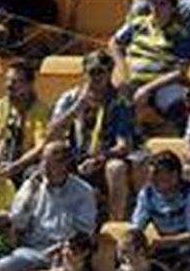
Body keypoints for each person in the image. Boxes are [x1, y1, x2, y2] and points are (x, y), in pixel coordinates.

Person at [0, 140, 98, 271]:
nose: (44, 168)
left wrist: (65, 246)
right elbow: (18, 222)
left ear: (65, 163)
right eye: (42, 162)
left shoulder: (83, 191)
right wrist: (30, 196)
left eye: (49, 163)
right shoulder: (32, 185)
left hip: (66, 252)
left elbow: (85, 231)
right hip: (33, 251)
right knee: (4, 266)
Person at [47, 51, 135, 223]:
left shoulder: (119, 102)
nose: (95, 77)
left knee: (116, 168)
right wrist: (75, 110)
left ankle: (115, 224)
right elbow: (51, 134)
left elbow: (123, 145)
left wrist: (100, 159)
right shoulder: (70, 97)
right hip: (72, 156)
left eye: (100, 72)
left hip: (102, 159)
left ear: (109, 73)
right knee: (50, 154)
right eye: (90, 72)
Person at [112, 0, 190, 131]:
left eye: (162, 4)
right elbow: (114, 43)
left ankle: (176, 136)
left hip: (161, 83)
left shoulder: (180, 34)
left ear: (173, 8)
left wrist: (148, 88)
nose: (156, 8)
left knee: (175, 103)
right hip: (131, 80)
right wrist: (122, 70)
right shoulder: (138, 24)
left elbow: (181, 71)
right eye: (154, 3)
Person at [0, 59, 48, 182]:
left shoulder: (42, 112)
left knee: (35, 175)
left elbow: (41, 147)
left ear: (29, 85)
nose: (9, 85)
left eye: (15, 81)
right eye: (7, 80)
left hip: (26, 166)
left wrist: (16, 166)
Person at [132, 149, 190, 264]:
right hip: (165, 249)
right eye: (151, 175)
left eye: (158, 174)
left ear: (174, 175)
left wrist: (167, 242)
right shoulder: (147, 194)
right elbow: (137, 227)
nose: (152, 180)